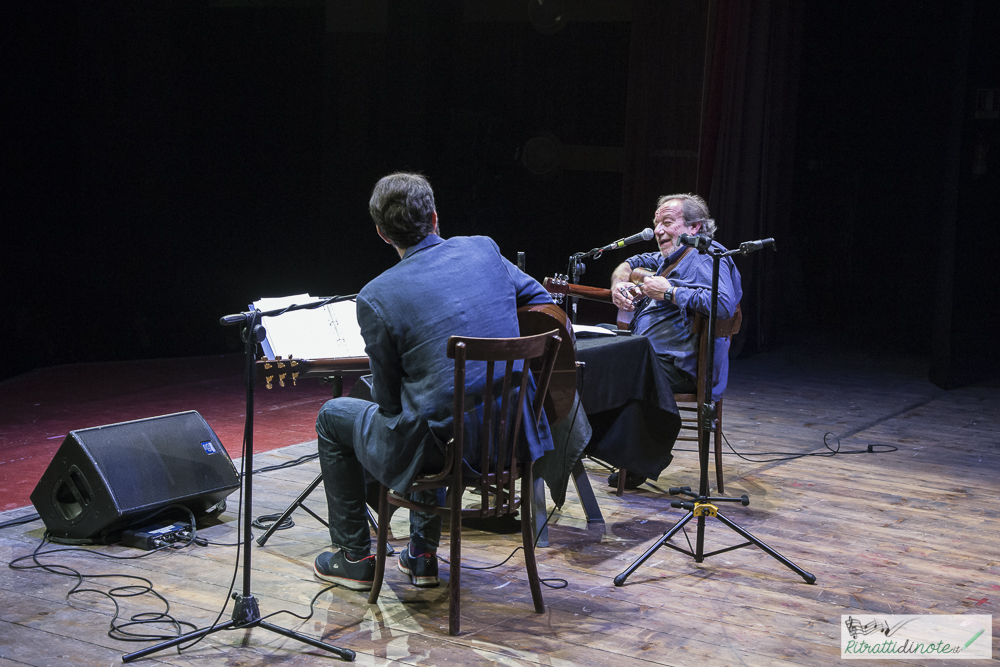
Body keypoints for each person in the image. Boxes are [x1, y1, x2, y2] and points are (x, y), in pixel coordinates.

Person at [313, 172, 555, 591]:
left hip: (446, 448)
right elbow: (541, 300)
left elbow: (388, 402)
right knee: (432, 407)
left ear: (382, 234)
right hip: (514, 436)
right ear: (435, 217)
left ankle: (354, 556)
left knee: (335, 415)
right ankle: (421, 556)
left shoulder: (376, 295)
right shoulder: (484, 249)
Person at [608, 193, 743, 488]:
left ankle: (634, 455)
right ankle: (625, 453)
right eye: (656, 224)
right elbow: (630, 262)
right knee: (595, 346)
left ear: (694, 228)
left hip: (680, 369)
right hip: (655, 357)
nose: (658, 231)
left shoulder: (706, 257)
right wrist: (619, 283)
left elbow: (723, 303)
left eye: (667, 223)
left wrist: (669, 292)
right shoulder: (672, 256)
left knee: (607, 365)